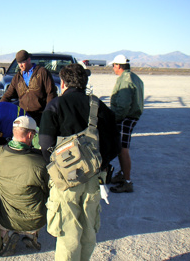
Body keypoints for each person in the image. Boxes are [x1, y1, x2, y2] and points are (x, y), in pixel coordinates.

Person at [39, 63, 120, 261]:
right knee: (88, 233)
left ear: (63, 83)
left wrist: (59, 169)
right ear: (85, 83)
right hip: (93, 180)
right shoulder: (98, 106)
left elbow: (45, 145)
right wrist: (98, 165)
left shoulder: (55, 105)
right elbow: (115, 146)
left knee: (68, 236)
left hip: (66, 182)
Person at [0, 116, 49, 257]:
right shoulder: (39, 163)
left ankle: (4, 237)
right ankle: (31, 235)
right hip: (35, 220)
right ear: (30, 135)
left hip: (7, 218)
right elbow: (48, 191)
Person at [107, 54, 144, 193]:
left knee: (123, 149)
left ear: (119, 66)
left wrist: (113, 119)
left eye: (114, 65)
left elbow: (123, 105)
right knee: (121, 148)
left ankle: (127, 181)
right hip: (130, 116)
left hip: (125, 117)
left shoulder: (125, 80)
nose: (113, 68)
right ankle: (123, 175)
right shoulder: (134, 77)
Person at [0, 50, 57, 125]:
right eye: (19, 63)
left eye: (22, 62)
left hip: (40, 115)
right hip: (24, 116)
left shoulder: (42, 72)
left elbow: (51, 93)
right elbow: (8, 95)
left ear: (29, 60)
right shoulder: (17, 78)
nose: (20, 65)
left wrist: (49, 112)